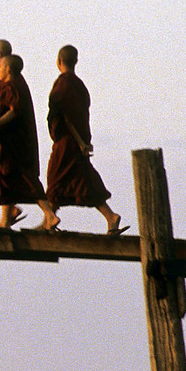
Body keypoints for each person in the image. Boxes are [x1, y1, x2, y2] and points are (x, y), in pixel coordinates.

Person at [0, 42, 59, 230]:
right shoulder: (1, 81)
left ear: (0, 56)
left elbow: (13, 110)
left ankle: (48, 215)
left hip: (10, 142)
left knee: (17, 177)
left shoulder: (13, 84)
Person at [45, 45, 127, 235]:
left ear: (58, 62)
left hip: (68, 141)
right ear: (76, 61)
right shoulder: (79, 86)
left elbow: (65, 116)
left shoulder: (62, 85)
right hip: (79, 140)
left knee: (56, 178)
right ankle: (110, 216)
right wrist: (84, 140)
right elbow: (80, 115)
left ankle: (49, 218)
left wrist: (80, 142)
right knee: (84, 181)